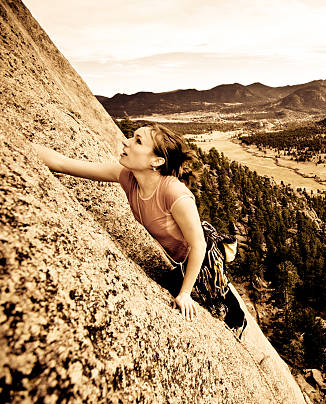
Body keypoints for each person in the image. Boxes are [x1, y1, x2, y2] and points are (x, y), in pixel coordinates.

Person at [33, 124, 242, 330]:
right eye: (132, 137)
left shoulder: (175, 193)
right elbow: (62, 163)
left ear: (157, 161)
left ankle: (238, 322)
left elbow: (198, 245)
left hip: (203, 253)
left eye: (138, 141)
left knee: (216, 296)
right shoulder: (125, 176)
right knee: (170, 283)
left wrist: (185, 293)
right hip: (180, 255)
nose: (126, 142)